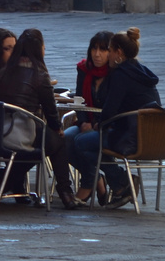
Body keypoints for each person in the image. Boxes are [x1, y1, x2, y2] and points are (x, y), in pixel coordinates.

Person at [69, 26, 161, 208]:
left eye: (108, 50)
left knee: (81, 142)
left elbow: (109, 112)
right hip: (150, 134)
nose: (102, 55)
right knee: (78, 139)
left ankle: (120, 183)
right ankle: (112, 184)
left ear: (118, 52)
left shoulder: (120, 75)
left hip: (129, 136)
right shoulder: (139, 70)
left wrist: (96, 126)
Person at [0, 28, 78, 210]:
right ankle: (66, 193)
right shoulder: (39, 74)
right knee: (56, 142)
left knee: (40, 145)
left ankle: (3, 180)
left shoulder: (3, 72)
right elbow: (50, 109)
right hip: (24, 131)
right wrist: (57, 128)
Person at [62, 30, 113, 204]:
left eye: (103, 49)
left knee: (81, 142)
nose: (97, 54)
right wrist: (83, 121)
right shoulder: (84, 70)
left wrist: (96, 124)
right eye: (94, 49)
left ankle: (87, 185)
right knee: (65, 139)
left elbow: (113, 106)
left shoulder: (115, 73)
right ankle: (97, 179)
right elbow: (79, 99)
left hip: (105, 125)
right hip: (86, 120)